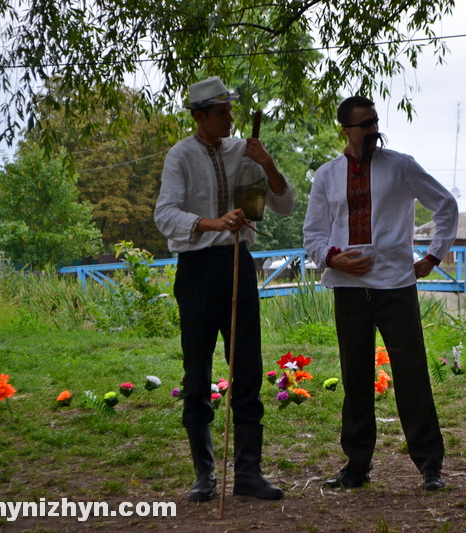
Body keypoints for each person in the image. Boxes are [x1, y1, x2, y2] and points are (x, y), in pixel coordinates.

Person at [303, 96, 459, 491]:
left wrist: (433, 256)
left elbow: (446, 204)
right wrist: (333, 260)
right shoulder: (326, 175)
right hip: (349, 291)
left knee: (411, 375)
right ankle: (356, 467)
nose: (373, 129)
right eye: (364, 124)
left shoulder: (400, 166)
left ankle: (429, 465)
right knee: (355, 378)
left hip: (395, 285)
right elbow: (313, 233)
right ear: (346, 130)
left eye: (375, 121)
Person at [154, 76, 294, 502]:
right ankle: (204, 475)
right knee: (197, 372)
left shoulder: (244, 151)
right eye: (221, 112)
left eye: (231, 110)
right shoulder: (180, 155)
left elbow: (283, 205)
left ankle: (249, 474)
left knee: (247, 366)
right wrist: (213, 223)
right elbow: (165, 214)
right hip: (196, 270)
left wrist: (267, 162)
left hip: (237, 264)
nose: (230, 118)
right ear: (199, 117)